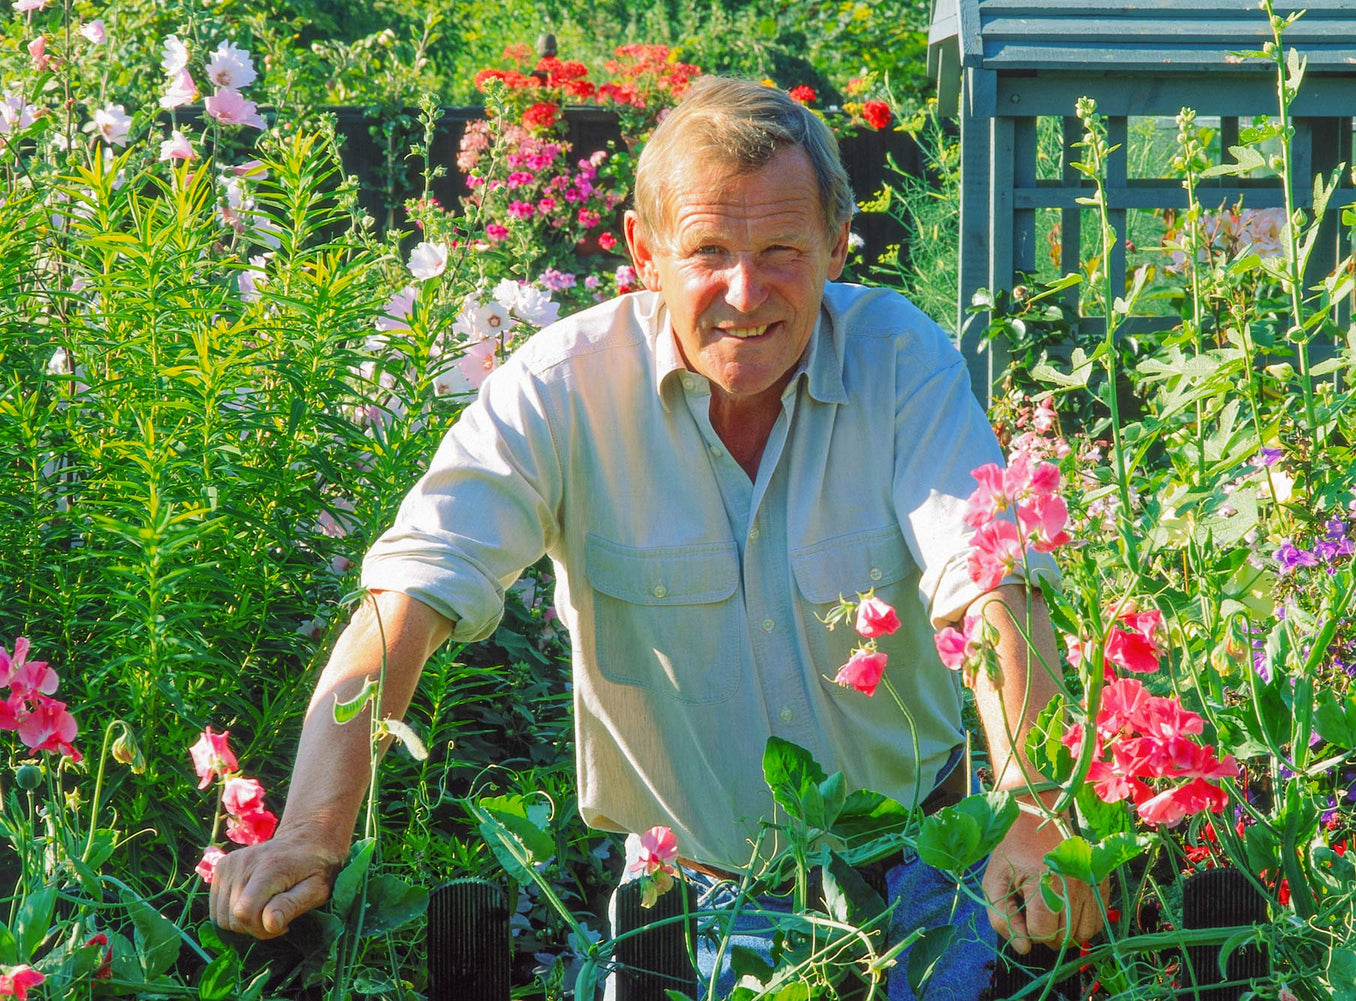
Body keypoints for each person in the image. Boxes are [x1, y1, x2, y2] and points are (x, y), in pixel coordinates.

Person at [209, 75, 1107, 996]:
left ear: (838, 247)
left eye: (783, 249)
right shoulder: (559, 390)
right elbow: (414, 593)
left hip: (926, 866)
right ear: (645, 252)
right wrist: (313, 830)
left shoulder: (899, 360)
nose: (744, 291)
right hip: (689, 909)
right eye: (708, 249)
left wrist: (1034, 806)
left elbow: (993, 577)